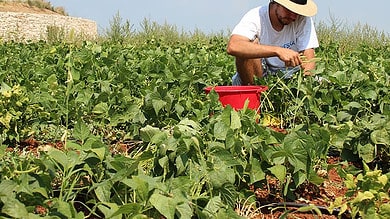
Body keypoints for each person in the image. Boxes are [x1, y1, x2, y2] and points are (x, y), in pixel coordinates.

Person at [227, 0, 319, 85]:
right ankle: (254, 92)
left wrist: (306, 85)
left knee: (324, 84)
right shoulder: (256, 16)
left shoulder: (302, 19)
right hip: (261, 72)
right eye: (289, 10)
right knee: (247, 47)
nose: (293, 16)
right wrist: (278, 51)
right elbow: (234, 46)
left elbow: (308, 56)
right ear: (276, 3)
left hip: (290, 73)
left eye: (297, 12)